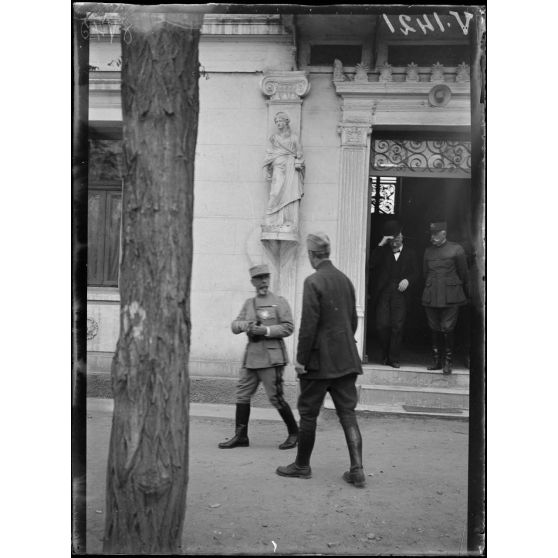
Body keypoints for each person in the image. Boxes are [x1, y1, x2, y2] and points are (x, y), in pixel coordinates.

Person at [276, 233, 366, 487]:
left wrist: (301, 360)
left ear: (313, 255)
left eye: (309, 255)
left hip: (318, 363)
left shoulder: (313, 281)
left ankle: (302, 466)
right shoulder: (346, 280)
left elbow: (308, 326)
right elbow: (352, 321)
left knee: (308, 414)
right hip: (346, 360)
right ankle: (357, 469)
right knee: (347, 414)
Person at [218, 264, 299, 450]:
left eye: (266, 277)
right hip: (251, 359)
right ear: (252, 282)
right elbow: (234, 325)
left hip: (271, 359)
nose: (263, 281)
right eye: (259, 278)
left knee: (275, 397)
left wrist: (266, 330)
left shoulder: (279, 301)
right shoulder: (249, 304)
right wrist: (246, 325)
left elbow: (288, 327)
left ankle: (295, 433)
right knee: (242, 394)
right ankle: (241, 436)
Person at [422, 221, 470, 374]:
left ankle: (448, 361)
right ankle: (436, 361)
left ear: (444, 233)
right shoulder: (428, 251)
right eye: (432, 234)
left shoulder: (456, 249)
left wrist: (455, 286)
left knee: (447, 328)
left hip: (451, 295)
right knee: (434, 328)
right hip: (431, 294)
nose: (433, 237)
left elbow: (463, 273)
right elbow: (425, 273)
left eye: (436, 234)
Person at [370, 220, 418, 368]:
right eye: (392, 239)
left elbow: (417, 272)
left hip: (401, 294)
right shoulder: (382, 252)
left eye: (398, 238)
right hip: (384, 292)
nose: (395, 242)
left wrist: (408, 280)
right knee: (382, 325)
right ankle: (385, 354)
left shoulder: (411, 253)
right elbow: (371, 263)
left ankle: (393, 358)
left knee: (397, 326)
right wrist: (381, 243)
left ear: (402, 237)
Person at [262, 112, 304, 233]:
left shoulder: (294, 138)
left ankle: (287, 221)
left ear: (286, 122)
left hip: (290, 167)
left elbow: (299, 153)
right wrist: (267, 166)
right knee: (275, 192)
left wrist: (298, 160)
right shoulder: (274, 138)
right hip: (278, 166)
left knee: (289, 194)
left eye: (280, 121)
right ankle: (272, 220)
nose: (278, 123)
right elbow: (271, 153)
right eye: (276, 122)